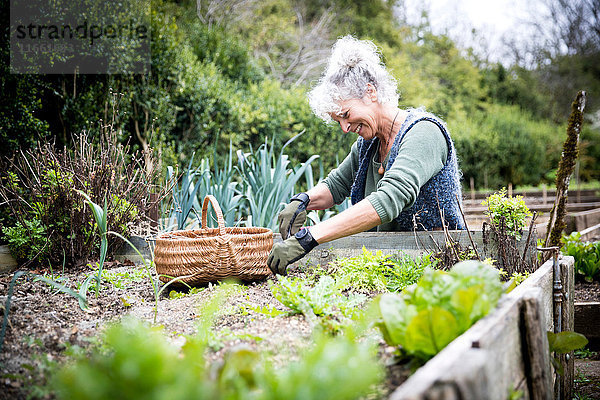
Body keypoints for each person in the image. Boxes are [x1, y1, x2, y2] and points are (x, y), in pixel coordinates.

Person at [267, 35, 465, 275]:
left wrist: (309, 237)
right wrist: (302, 202)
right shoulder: (368, 144)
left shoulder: (424, 132)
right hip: (390, 265)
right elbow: (336, 185)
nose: (344, 127)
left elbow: (389, 199)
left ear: (370, 93)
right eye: (337, 120)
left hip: (438, 266)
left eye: (346, 114)